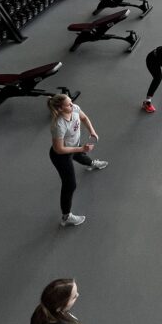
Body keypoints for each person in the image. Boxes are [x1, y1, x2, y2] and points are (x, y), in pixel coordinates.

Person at [48, 94, 108, 228]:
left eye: (71, 102)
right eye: (68, 104)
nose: (72, 105)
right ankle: (66, 217)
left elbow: (84, 117)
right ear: (60, 108)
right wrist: (81, 148)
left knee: (80, 155)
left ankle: (91, 164)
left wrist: (92, 131)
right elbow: (59, 149)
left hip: (74, 147)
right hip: (61, 156)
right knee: (70, 185)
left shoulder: (74, 109)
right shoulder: (58, 125)